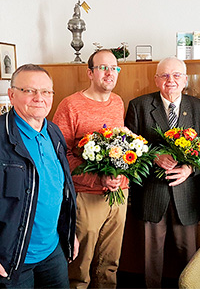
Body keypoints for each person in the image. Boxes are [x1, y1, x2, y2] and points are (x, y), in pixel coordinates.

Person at [125, 56, 200, 288]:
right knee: (151, 258)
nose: (171, 80)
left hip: (186, 196)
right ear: (156, 80)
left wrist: (189, 168)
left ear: (185, 80)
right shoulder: (139, 106)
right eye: (165, 75)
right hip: (151, 195)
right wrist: (153, 157)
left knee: (189, 259)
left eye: (176, 75)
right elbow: (127, 151)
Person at [0, 64, 78, 289]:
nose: (39, 98)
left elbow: (62, 189)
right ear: (11, 95)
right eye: (29, 91)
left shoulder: (53, 132)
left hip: (52, 251)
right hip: (11, 258)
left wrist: (69, 231)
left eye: (46, 91)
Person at [53, 49, 129, 289]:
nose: (110, 73)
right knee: (80, 266)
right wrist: (98, 179)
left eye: (114, 68)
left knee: (110, 264)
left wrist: (119, 176)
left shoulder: (118, 102)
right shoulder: (71, 105)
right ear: (90, 73)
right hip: (86, 197)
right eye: (103, 68)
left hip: (119, 195)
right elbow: (60, 154)